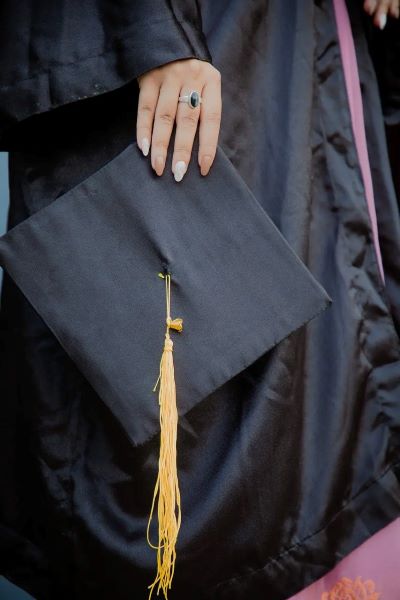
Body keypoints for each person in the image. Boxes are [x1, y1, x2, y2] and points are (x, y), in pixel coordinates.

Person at [0, 1, 400, 599]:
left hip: (307, 62)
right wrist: (154, 31)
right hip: (202, 47)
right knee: (200, 444)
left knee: (333, 376)